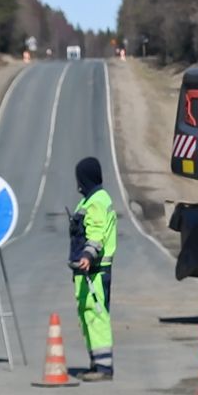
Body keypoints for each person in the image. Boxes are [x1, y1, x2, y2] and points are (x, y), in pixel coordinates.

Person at [67, 156, 118, 381]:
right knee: (87, 315)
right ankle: (96, 364)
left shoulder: (96, 201)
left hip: (94, 271)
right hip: (87, 271)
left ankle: (104, 368)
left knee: (96, 316)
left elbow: (96, 233)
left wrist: (88, 255)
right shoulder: (89, 200)